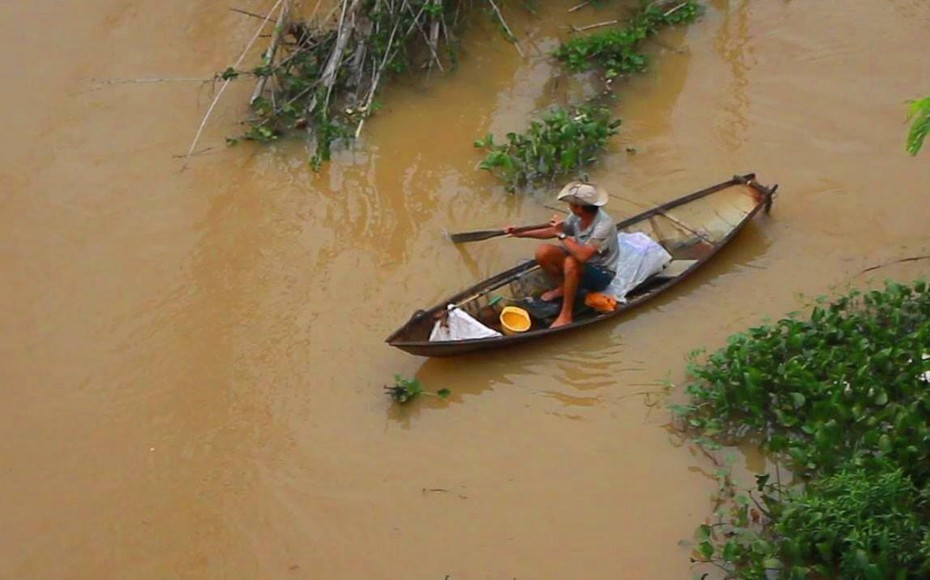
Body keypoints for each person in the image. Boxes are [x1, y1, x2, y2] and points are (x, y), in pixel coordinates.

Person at [505, 181, 621, 328]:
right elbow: (553, 231)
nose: (569, 206)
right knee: (544, 252)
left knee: (571, 262)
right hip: (582, 264)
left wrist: (560, 234)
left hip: (601, 272)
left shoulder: (604, 225)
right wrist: (520, 233)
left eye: (571, 204)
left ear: (579, 208)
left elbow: (583, 256)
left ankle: (566, 315)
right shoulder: (576, 217)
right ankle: (564, 288)